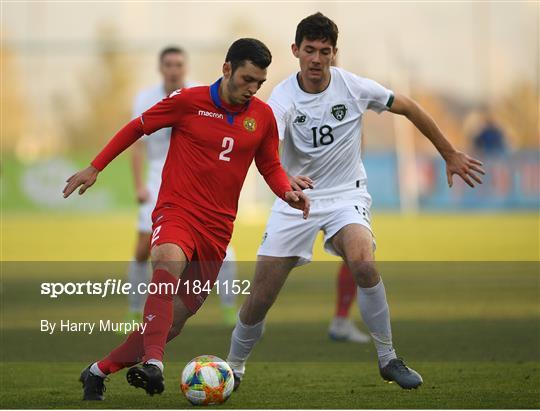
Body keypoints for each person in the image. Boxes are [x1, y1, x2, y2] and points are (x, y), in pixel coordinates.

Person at [226, 12, 485, 391]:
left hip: (346, 194)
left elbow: (409, 107)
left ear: (334, 53)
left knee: (363, 261)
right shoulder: (281, 97)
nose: (316, 59)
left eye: (325, 51)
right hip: (294, 198)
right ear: (295, 50)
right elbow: (267, 144)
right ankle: (234, 367)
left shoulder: (354, 87)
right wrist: (283, 180)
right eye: (309, 50)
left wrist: (448, 153)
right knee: (261, 296)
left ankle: (388, 357)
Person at [63, 38, 310, 400]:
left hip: (217, 230)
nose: (252, 89)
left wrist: (285, 191)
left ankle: (97, 371)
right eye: (246, 79)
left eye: (259, 82)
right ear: (227, 69)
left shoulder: (262, 117)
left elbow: (270, 165)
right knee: (166, 260)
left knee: (171, 324)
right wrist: (95, 166)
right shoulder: (188, 101)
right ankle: (155, 365)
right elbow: (137, 127)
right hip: (177, 211)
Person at [125, 46, 237, 329]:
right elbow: (137, 146)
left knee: (220, 248)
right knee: (142, 248)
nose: (174, 69)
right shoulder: (145, 98)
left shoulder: (199, 93)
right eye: (169, 64)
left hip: (193, 176)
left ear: (185, 68)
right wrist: (139, 185)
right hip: (156, 177)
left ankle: (228, 308)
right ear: (161, 68)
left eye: (178, 64)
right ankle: (135, 311)